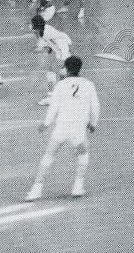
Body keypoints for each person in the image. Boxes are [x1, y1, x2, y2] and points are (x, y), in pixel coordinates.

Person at [25, 55, 99, 201]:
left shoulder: (60, 85)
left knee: (48, 156)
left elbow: (53, 107)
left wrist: (46, 124)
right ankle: (78, 186)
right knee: (83, 153)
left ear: (66, 69)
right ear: (80, 68)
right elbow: (95, 106)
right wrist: (93, 124)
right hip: (78, 127)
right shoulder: (89, 84)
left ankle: (36, 190)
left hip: (62, 126)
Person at [32, 14, 72, 105]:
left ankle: (52, 97)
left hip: (62, 51)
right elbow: (52, 42)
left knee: (51, 71)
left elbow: (41, 46)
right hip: (62, 49)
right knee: (61, 72)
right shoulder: (45, 29)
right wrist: (50, 48)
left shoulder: (45, 33)